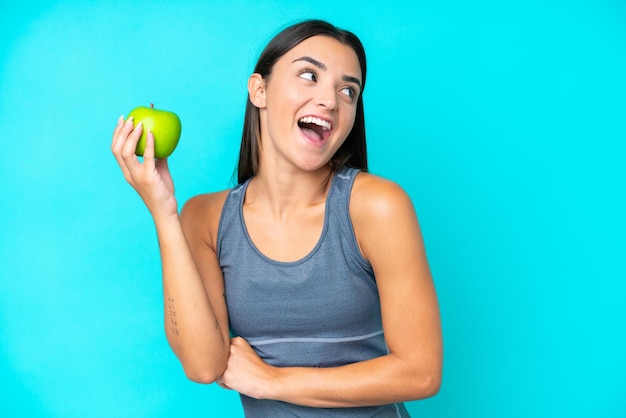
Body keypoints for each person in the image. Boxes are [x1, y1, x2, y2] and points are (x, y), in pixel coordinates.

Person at [111, 19, 442, 418]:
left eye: (348, 90)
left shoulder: (376, 206)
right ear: (259, 90)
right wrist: (164, 214)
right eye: (309, 75)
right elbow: (204, 365)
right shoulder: (205, 218)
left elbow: (421, 373)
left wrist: (273, 381)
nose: (331, 100)